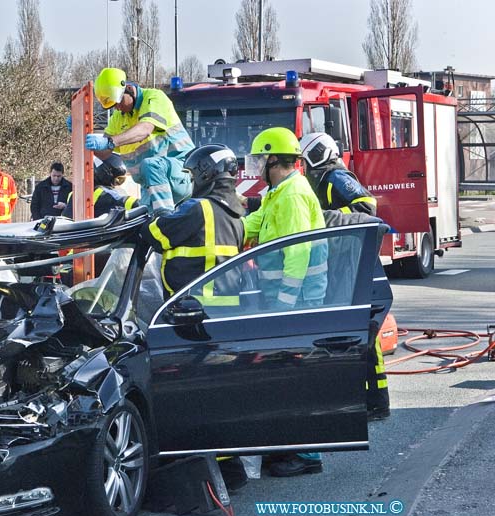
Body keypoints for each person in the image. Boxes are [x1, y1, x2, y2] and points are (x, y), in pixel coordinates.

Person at [242, 127, 328, 477]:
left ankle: (308, 456)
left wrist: (285, 306)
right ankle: (292, 446)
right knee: (286, 373)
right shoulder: (278, 191)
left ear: (274, 160)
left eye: (261, 159)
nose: (258, 165)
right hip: (289, 299)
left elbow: (297, 253)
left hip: (298, 301)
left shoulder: (291, 196)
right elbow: (253, 224)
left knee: (296, 376)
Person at [300, 132, 389, 420]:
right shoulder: (319, 180)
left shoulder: (337, 176)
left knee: (365, 335)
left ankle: (376, 401)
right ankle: (362, 399)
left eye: (310, 158)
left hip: (353, 262)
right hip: (341, 262)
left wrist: (326, 217)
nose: (308, 165)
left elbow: (366, 206)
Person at [85, 67, 195, 216]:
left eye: (119, 101)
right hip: (152, 185)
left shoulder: (154, 98)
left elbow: (145, 129)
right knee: (143, 227)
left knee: (151, 166)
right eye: (113, 106)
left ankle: (166, 220)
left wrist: (111, 142)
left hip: (184, 173)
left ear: (129, 88)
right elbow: (104, 152)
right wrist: (80, 132)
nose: (118, 107)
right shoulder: (118, 117)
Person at [140, 144, 244, 299]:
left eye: (191, 176)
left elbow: (152, 234)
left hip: (193, 307)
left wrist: (161, 213)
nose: (191, 182)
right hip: (227, 307)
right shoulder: (239, 216)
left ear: (205, 174)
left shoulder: (198, 208)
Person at [300, 133, 377, 215]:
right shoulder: (320, 180)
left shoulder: (336, 177)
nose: (301, 165)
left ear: (315, 156)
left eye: (303, 161)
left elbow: (368, 205)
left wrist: (334, 216)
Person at [62, 155, 137, 219]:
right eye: (118, 180)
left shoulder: (74, 193)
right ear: (105, 173)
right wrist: (142, 203)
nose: (117, 184)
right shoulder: (101, 192)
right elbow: (126, 202)